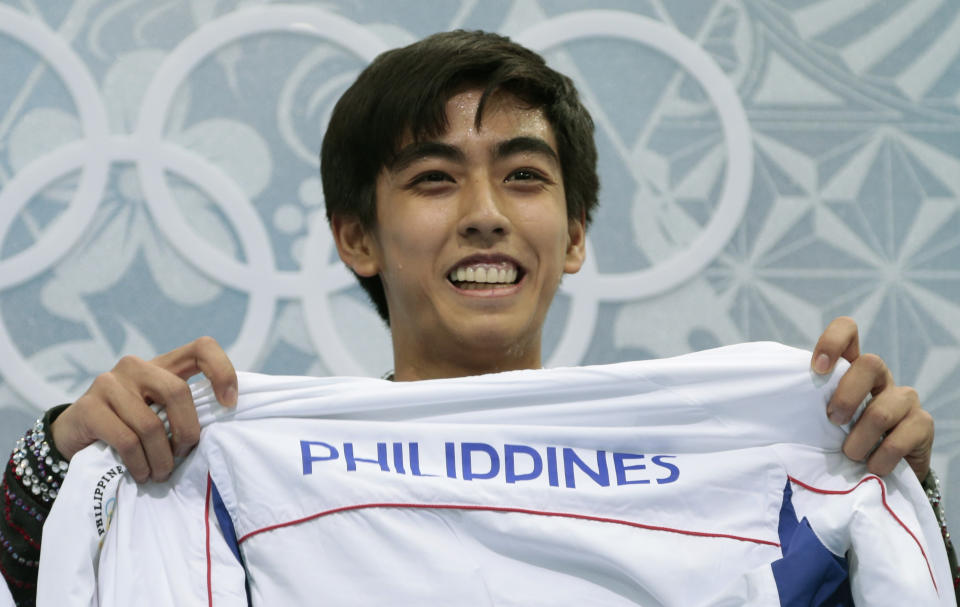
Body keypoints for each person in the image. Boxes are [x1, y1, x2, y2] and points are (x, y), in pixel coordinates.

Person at [1, 30, 954, 606]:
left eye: (526, 175)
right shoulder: (229, 468)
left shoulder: (735, 460)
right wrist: (66, 455)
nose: (487, 209)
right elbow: (60, 579)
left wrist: (888, 485)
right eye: (432, 178)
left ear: (574, 235)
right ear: (356, 237)